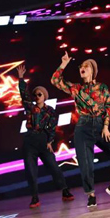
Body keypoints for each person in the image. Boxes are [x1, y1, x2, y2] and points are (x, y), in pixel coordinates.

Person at [51, 54, 110, 208]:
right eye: (81, 67)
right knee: (86, 164)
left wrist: (105, 127)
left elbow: (108, 107)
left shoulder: (102, 87)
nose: (82, 68)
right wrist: (64, 64)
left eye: (86, 66)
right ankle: (91, 195)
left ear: (92, 70)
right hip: (83, 127)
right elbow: (55, 81)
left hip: (100, 127)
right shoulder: (76, 88)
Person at [16, 64, 74, 209]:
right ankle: (34, 197)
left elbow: (52, 127)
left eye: (39, 94)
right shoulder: (30, 107)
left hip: (43, 141)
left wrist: (50, 141)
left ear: (44, 96)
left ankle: (65, 190)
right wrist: (21, 78)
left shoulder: (50, 111)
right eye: (35, 95)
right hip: (30, 141)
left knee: (54, 167)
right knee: (31, 170)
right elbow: (24, 94)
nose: (37, 97)